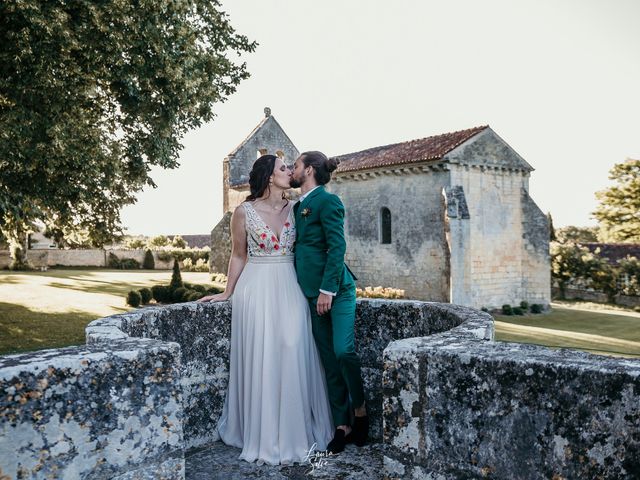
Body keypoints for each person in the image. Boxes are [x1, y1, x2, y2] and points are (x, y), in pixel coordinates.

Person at [198, 154, 333, 465]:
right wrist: (227, 291)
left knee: (292, 345)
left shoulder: (298, 208)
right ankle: (263, 432)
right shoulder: (242, 212)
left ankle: (295, 431)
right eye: (284, 168)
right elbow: (238, 255)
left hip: (290, 285)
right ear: (270, 177)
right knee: (263, 355)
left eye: (289, 167)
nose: (290, 172)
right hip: (255, 290)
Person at [289, 151, 369, 454]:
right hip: (309, 294)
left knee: (343, 351)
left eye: (295, 165)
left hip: (337, 291)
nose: (292, 170)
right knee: (328, 362)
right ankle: (341, 425)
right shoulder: (298, 206)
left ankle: (360, 410)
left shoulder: (329, 201)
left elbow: (337, 247)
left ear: (308, 170)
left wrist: (327, 290)